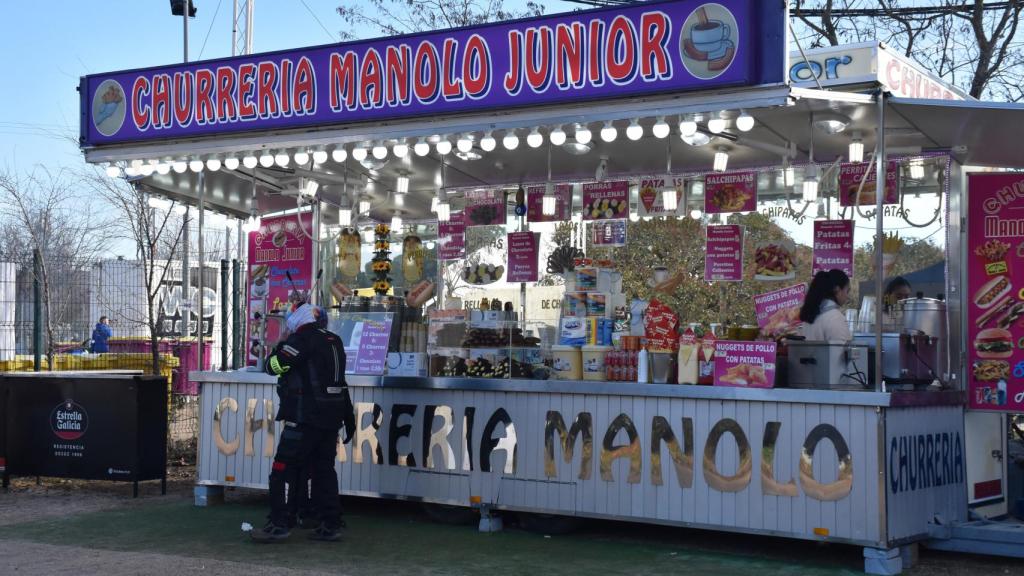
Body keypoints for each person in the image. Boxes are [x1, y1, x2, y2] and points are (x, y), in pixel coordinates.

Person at [251, 303, 356, 543]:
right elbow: (340, 381)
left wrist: (282, 343)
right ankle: (330, 523)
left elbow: (273, 366)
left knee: (282, 469)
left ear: (295, 322)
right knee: (324, 470)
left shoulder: (301, 340)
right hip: (332, 418)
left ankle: (279, 523)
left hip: (304, 416)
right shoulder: (334, 340)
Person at [799, 269, 853, 341]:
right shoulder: (835, 317)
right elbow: (841, 350)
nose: (847, 296)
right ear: (837, 290)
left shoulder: (810, 314)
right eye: (847, 291)